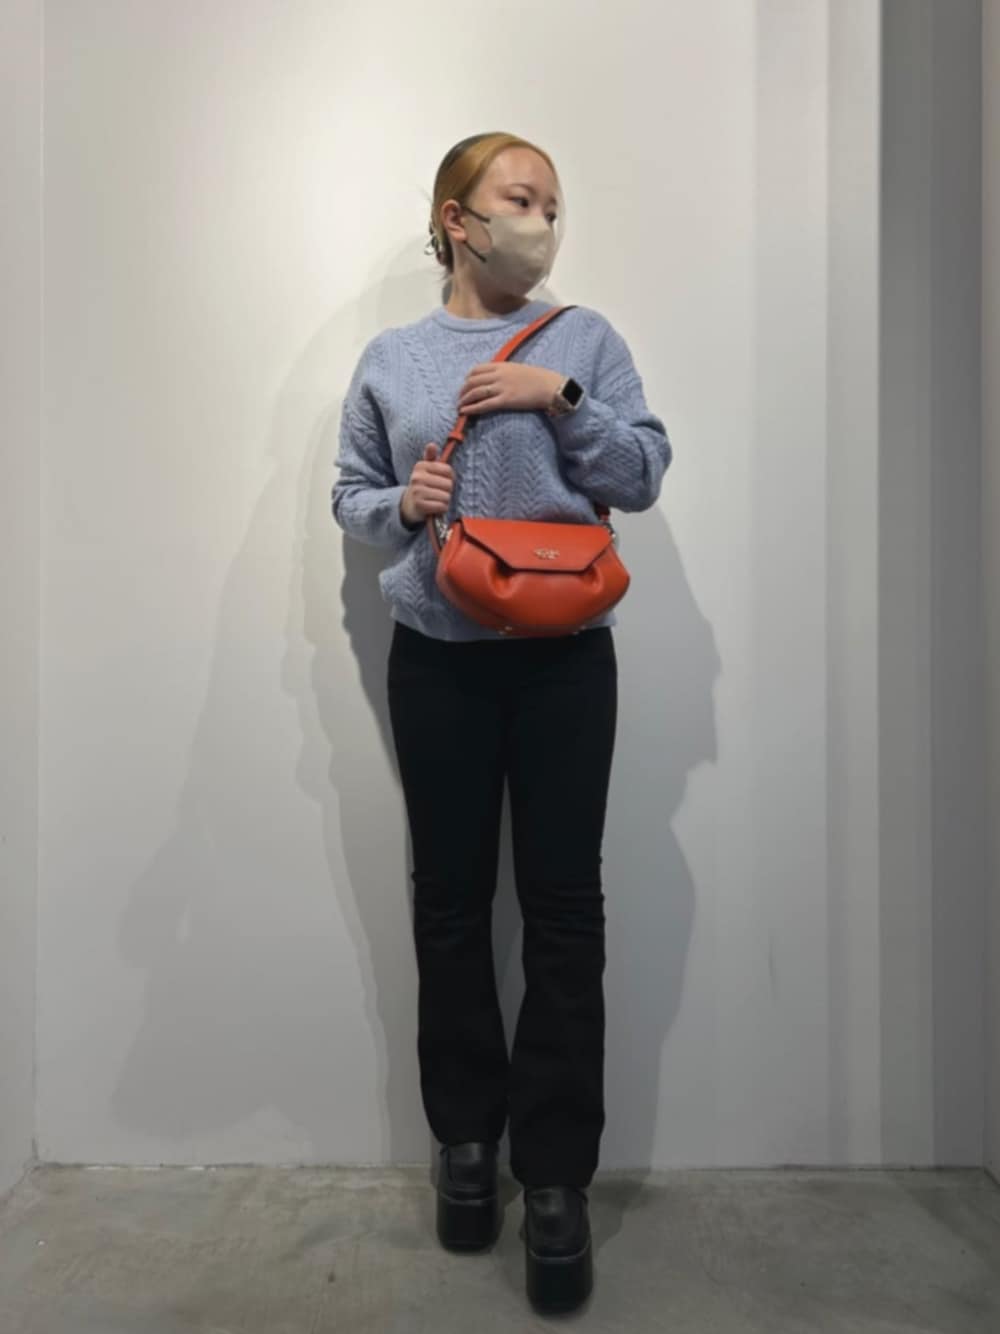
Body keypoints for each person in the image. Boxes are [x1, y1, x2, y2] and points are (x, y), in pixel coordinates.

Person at [331, 130, 672, 1315]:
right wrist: (401, 501)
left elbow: (641, 475)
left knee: (565, 908)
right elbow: (349, 493)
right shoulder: (393, 358)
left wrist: (557, 397)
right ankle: (465, 1145)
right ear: (457, 218)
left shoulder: (586, 341)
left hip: (567, 661)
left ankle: (556, 1174)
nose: (542, 221)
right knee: (450, 899)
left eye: (553, 204)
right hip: (441, 659)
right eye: (520, 199)